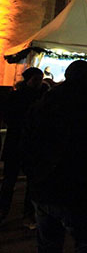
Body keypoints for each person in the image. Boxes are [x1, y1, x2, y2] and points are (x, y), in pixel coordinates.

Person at [22, 60, 87, 251]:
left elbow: (27, 143)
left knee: (49, 244)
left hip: (45, 186)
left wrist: (34, 174)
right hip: (81, 189)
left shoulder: (44, 103)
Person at [0, 67, 48, 227]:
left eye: (40, 79)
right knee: (9, 181)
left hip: (32, 144)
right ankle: (4, 211)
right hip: (18, 143)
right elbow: (8, 116)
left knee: (31, 181)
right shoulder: (17, 96)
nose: (38, 82)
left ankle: (28, 213)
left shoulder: (43, 96)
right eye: (36, 79)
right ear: (28, 80)